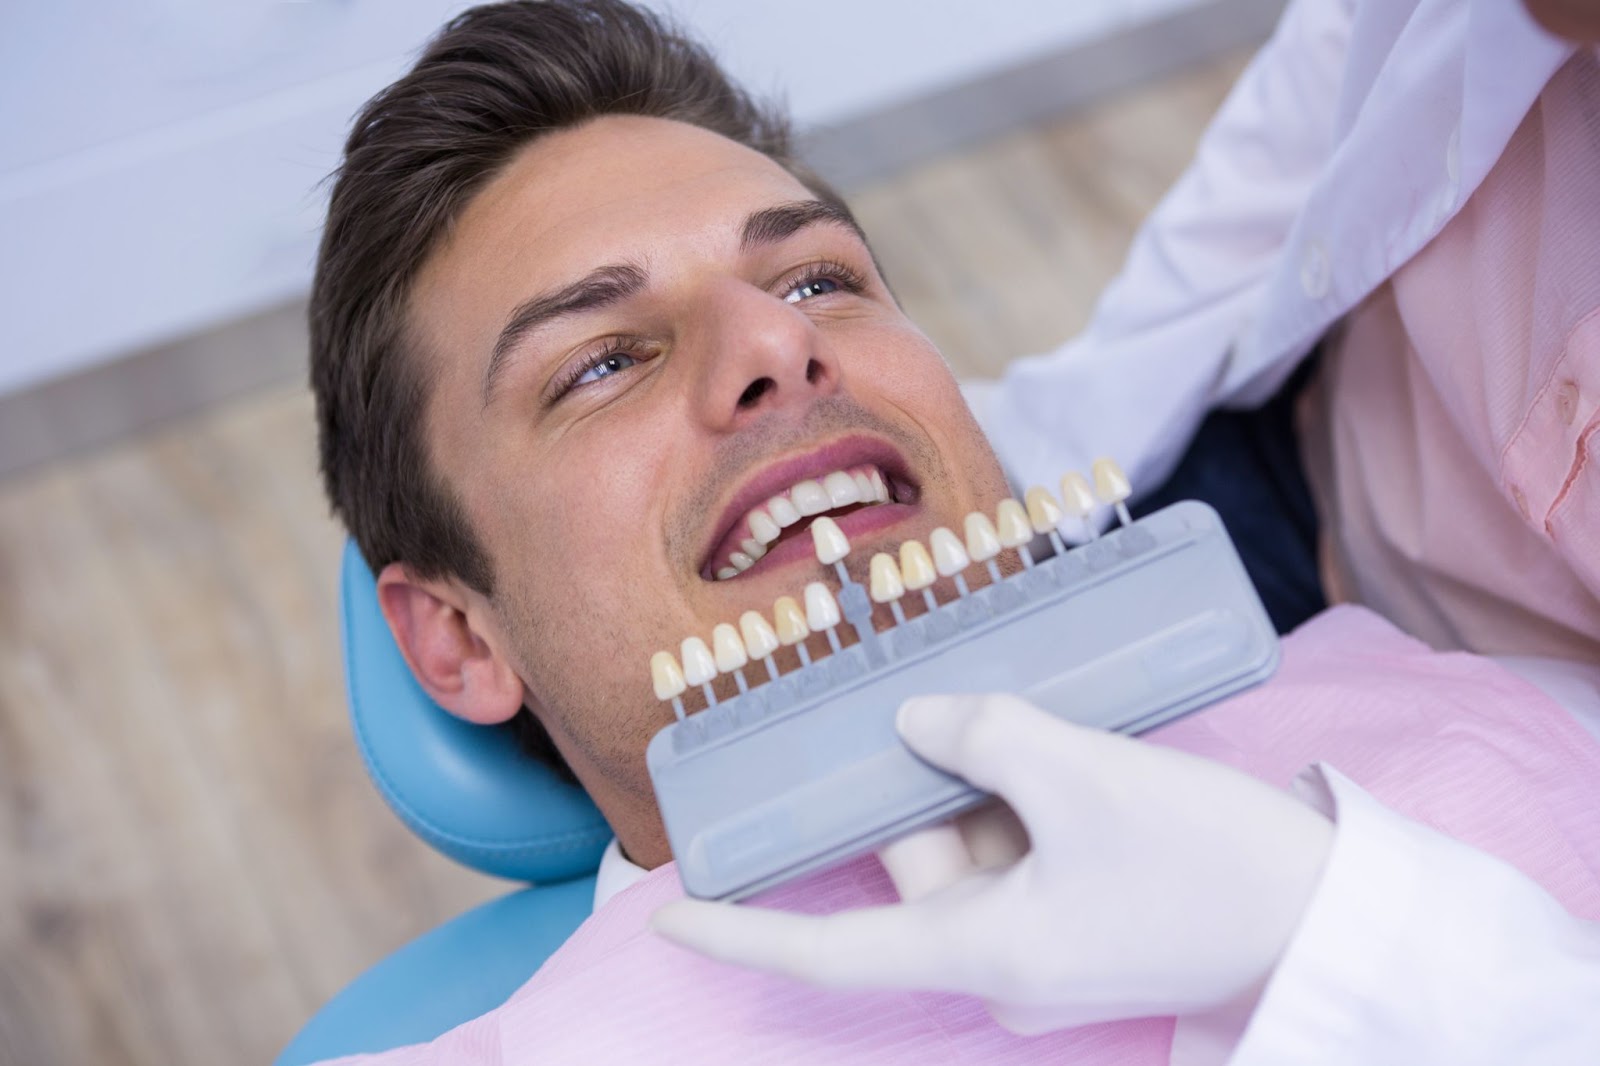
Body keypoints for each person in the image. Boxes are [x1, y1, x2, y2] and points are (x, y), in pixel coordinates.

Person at [305, 0, 1600, 1062]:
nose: (779, 343)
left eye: (819, 279)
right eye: (599, 362)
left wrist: (1346, 940)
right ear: (459, 638)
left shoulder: (1486, 709)